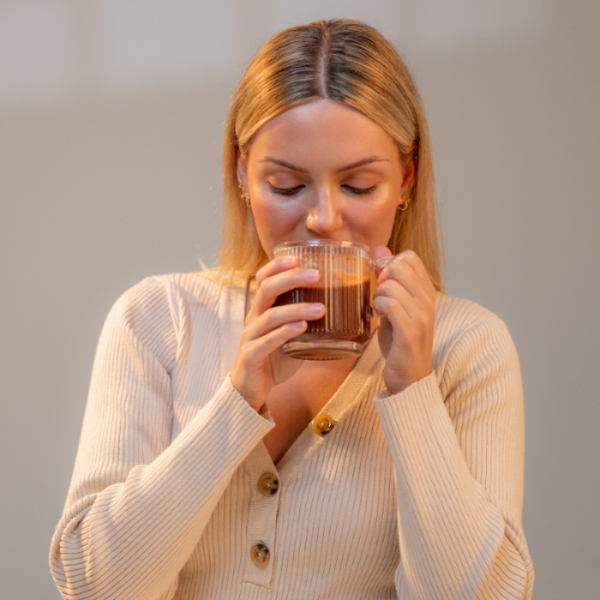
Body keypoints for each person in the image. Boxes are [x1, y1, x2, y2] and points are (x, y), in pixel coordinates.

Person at [50, 19, 534, 600]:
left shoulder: (467, 346)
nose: (323, 218)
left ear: (406, 177)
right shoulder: (157, 321)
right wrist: (236, 401)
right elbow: (95, 588)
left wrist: (413, 390)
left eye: (358, 186)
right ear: (240, 173)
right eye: (286, 185)